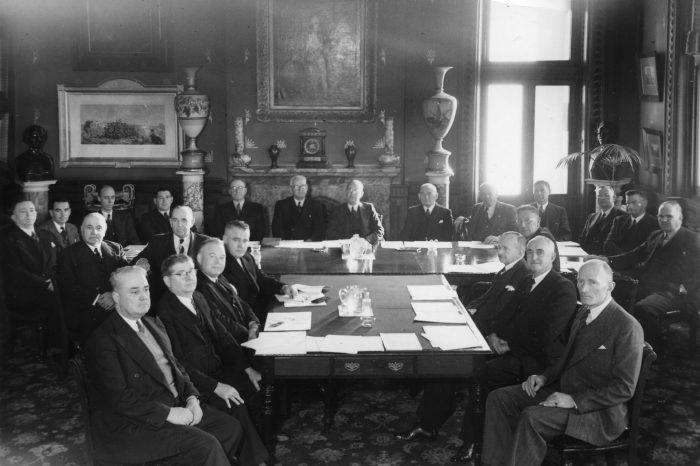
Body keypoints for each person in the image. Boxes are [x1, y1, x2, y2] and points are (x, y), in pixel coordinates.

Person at [481, 259, 644, 466]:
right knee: (499, 399)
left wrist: (573, 400)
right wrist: (544, 376)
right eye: (580, 281)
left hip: (597, 411)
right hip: (564, 388)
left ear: (610, 287)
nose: (583, 289)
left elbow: (624, 388)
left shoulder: (627, 326)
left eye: (592, 282)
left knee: (532, 417)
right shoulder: (584, 311)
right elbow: (567, 357)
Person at [85, 266, 243, 465]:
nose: (143, 297)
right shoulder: (104, 341)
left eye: (146, 289)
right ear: (116, 298)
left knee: (230, 428)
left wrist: (193, 398)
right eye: (134, 292)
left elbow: (178, 368)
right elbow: (120, 399)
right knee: (206, 445)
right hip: (136, 424)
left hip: (174, 403)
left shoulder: (153, 324)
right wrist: (169, 414)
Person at [396, 232, 529, 462]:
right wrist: (469, 308)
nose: (500, 252)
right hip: (479, 330)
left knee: (454, 361)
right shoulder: (506, 269)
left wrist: (483, 329)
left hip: (496, 342)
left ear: (520, 250)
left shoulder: (523, 275)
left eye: (505, 249)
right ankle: (428, 423)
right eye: (500, 248)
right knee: (443, 357)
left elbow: (509, 317)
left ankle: (472, 440)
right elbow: (487, 298)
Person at [156, 255, 269, 466]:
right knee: (238, 404)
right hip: (196, 384)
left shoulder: (198, 297)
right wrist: (216, 387)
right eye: (181, 274)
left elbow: (223, 337)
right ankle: (253, 460)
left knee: (258, 386)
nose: (189, 277)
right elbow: (178, 364)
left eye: (191, 271)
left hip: (216, 369)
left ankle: (250, 454)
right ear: (167, 281)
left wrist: (247, 369)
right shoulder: (164, 312)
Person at [607, 201, 700, 347]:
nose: (663, 220)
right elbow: (634, 255)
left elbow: (697, 273)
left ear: (680, 218)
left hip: (676, 293)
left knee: (644, 308)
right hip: (648, 286)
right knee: (617, 293)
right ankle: (626, 344)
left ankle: (654, 351)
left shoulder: (693, 239)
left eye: (669, 216)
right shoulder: (656, 235)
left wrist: (682, 289)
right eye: (660, 216)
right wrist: (607, 260)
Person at [57, 213, 128, 343]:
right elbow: (68, 286)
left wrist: (113, 295)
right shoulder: (68, 254)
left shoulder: (115, 248)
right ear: (82, 230)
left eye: (99, 228)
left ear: (105, 230)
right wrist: (98, 299)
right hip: (85, 309)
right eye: (89, 227)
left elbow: (125, 278)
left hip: (115, 303)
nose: (94, 232)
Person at [133, 205, 209, 303]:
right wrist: (141, 261)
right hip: (163, 300)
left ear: (192, 222)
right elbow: (136, 260)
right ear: (170, 222)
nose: (179, 224)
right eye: (175, 220)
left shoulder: (205, 243)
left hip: (197, 299)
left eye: (184, 220)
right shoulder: (157, 241)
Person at [222, 220, 296, 321]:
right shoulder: (220, 265)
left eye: (245, 241)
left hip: (262, 309)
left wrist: (283, 287)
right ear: (225, 239)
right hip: (248, 319)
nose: (241, 245)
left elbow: (260, 278)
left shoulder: (247, 257)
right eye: (236, 240)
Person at [196, 238, 260, 344]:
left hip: (246, 337)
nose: (218, 262)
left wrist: (253, 323)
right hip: (231, 345)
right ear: (199, 258)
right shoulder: (200, 287)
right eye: (212, 257)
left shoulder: (220, 277)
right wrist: (248, 333)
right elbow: (218, 320)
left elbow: (241, 303)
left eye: (222, 257)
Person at [2, 201, 56, 327]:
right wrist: (45, 283)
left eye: (32, 210)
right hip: (26, 299)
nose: (28, 214)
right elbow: (16, 270)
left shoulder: (47, 235)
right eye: (23, 211)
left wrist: (55, 281)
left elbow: (58, 261)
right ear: (13, 217)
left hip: (53, 295)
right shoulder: (8, 240)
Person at [326, 179, 384, 245]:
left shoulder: (369, 208)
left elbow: (379, 231)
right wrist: (347, 242)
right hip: (344, 248)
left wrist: (365, 240)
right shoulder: (337, 210)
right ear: (346, 192)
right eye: (349, 190)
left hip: (365, 248)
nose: (352, 193)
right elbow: (330, 232)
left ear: (361, 194)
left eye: (355, 190)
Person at [603, 189, 658, 255]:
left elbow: (646, 251)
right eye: (628, 203)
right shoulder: (619, 221)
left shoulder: (654, 224)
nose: (630, 206)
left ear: (644, 203)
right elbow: (607, 244)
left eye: (634, 203)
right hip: (615, 262)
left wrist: (625, 258)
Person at [271, 175, 326, 241]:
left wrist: (311, 240)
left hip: (309, 243)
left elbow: (320, 228)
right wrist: (286, 241)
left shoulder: (316, 205)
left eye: (303, 186)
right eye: (296, 186)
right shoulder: (281, 205)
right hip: (288, 244)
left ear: (307, 188)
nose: (300, 189)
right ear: (291, 189)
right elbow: (276, 229)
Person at [578, 185, 625, 255]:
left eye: (606, 195)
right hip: (588, 257)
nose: (602, 198)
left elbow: (621, 244)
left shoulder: (622, 217)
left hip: (608, 259)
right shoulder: (592, 217)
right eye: (599, 196)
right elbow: (582, 239)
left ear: (614, 198)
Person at [516, 204, 560, 271]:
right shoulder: (533, 234)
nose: (523, 225)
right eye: (519, 221)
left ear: (538, 221)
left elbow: (533, 270)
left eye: (528, 221)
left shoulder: (542, 238)